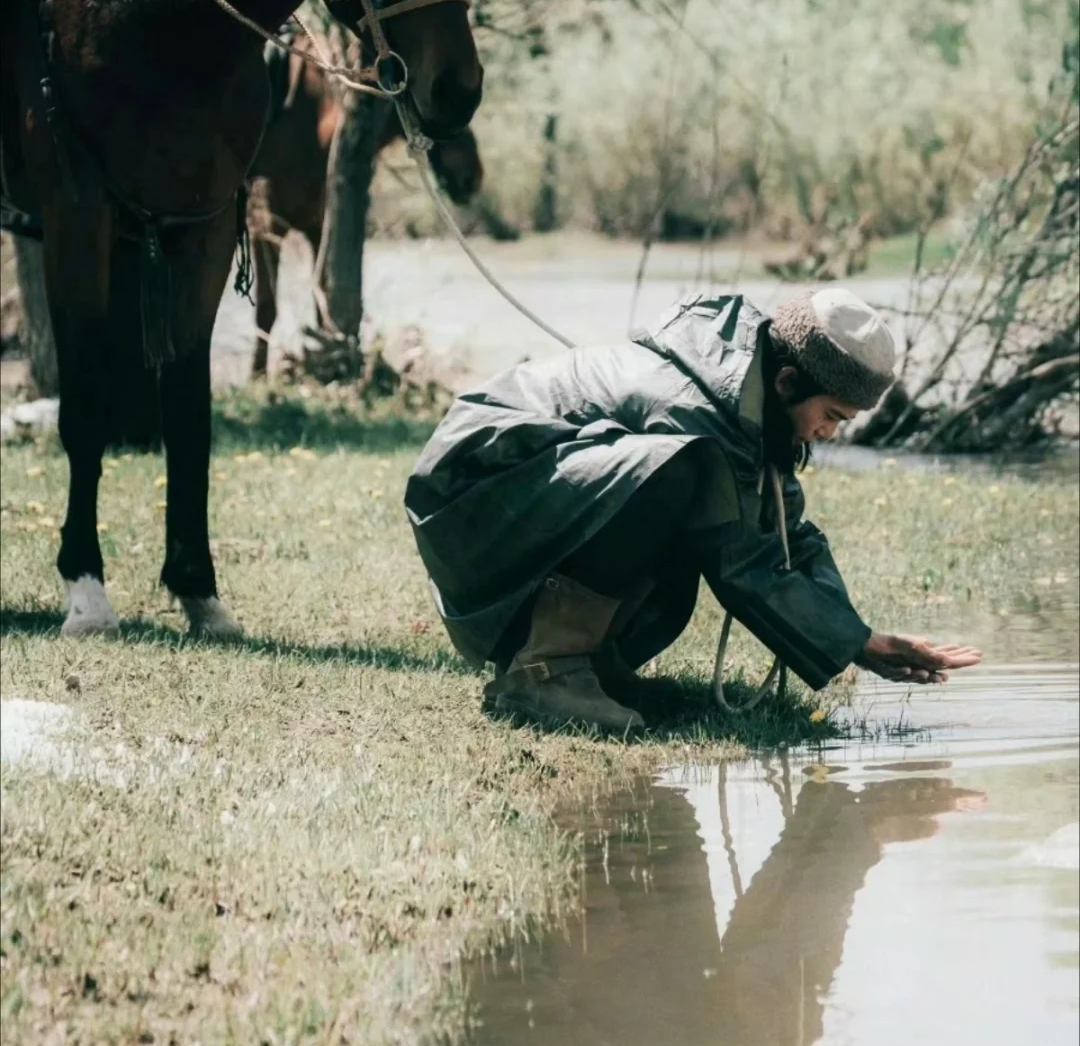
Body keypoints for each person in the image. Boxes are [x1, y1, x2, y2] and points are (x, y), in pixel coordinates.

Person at [405, 286, 981, 736]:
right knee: (681, 471)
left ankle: (593, 665)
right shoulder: (698, 411)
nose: (827, 433)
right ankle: (545, 670)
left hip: (528, 495)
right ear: (787, 382)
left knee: (692, 488)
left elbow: (787, 533)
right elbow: (744, 562)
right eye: (832, 415)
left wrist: (860, 633)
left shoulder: (747, 389)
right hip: (473, 494)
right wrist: (860, 645)